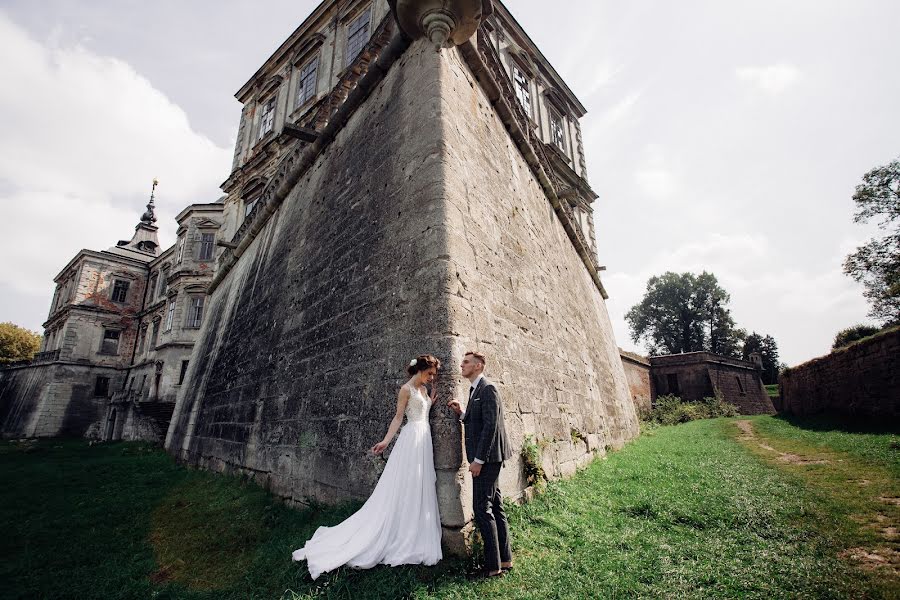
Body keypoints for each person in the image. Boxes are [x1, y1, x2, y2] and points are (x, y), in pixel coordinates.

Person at [291, 355, 443, 579]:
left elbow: (424, 407)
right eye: (429, 373)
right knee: (406, 484)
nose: (432, 378)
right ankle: (398, 531)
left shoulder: (424, 390)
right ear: (419, 370)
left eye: (434, 375)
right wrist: (385, 441)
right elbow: (398, 417)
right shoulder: (406, 390)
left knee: (420, 483)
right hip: (411, 440)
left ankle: (416, 527)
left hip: (424, 440)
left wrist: (430, 401)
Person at [448, 351, 513, 578]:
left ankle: (491, 567)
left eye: (466, 362)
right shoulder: (475, 389)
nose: (461, 365)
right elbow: (478, 419)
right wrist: (462, 413)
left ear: (478, 365)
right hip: (489, 458)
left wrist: (478, 461)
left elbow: (490, 427)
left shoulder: (488, 388)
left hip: (488, 459)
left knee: (481, 509)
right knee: (495, 507)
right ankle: (504, 560)